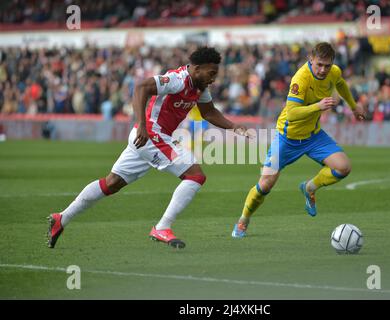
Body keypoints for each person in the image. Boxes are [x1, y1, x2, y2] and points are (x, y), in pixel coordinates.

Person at [47, 47, 252, 249]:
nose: (214, 78)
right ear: (197, 68)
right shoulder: (177, 79)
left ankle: (61, 218)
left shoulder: (199, 88)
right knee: (195, 175)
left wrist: (234, 127)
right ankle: (162, 227)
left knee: (111, 183)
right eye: (211, 73)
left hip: (149, 138)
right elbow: (141, 87)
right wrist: (142, 125)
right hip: (151, 135)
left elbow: (209, 112)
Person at [231, 42, 366, 238]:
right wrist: (318, 106)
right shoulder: (300, 78)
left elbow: (341, 84)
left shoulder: (334, 72)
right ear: (311, 60)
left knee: (343, 167)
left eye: (327, 66)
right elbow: (292, 113)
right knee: (265, 184)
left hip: (313, 136)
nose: (323, 70)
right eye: (319, 64)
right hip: (287, 137)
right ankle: (243, 219)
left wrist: (353, 106)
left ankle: (309, 187)